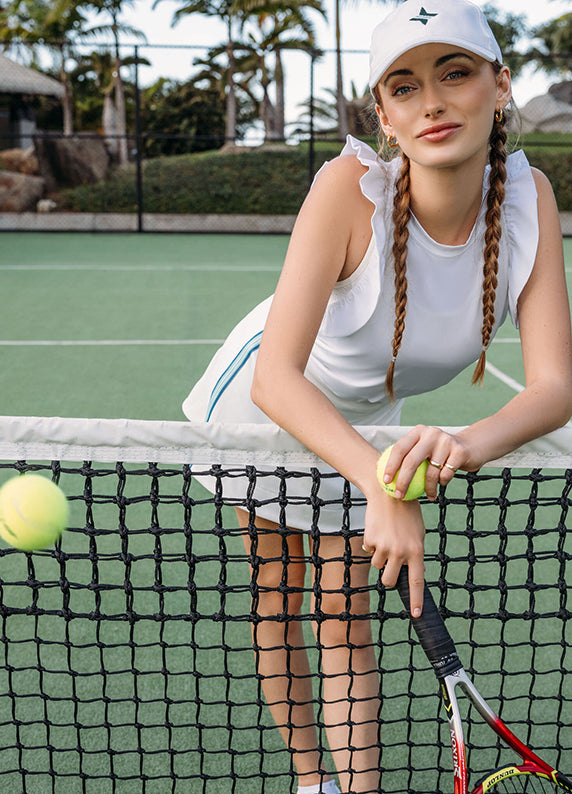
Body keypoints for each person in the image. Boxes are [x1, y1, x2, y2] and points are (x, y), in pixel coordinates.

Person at [183, 0, 572, 791]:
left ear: (500, 86)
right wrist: (377, 481)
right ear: (385, 119)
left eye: (454, 73)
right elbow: (275, 378)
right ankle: (310, 779)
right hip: (268, 397)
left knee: (344, 615)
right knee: (278, 593)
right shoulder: (345, 188)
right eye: (404, 87)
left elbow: (556, 387)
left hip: (369, 416)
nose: (432, 102)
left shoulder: (531, 199)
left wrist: (461, 446)